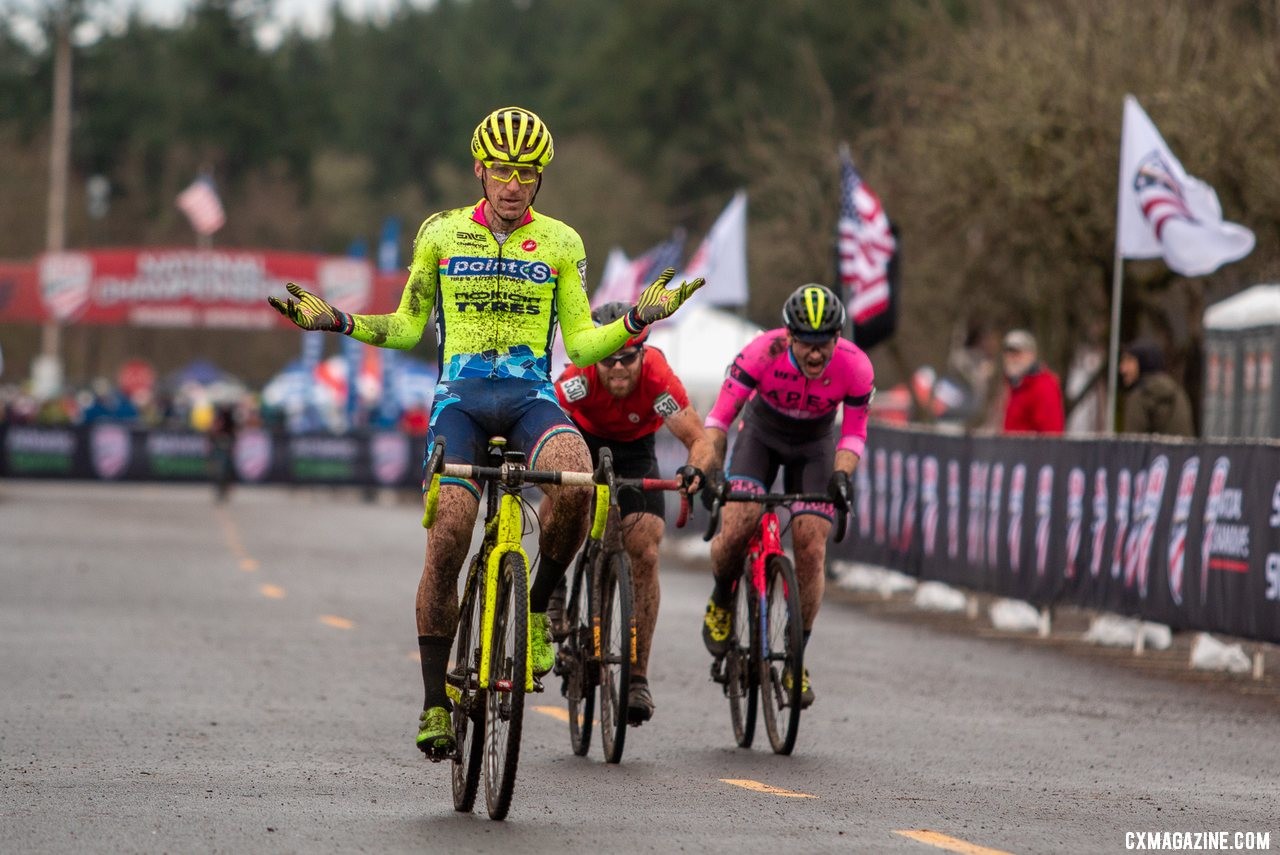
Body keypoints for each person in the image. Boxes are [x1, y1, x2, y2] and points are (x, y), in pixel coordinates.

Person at [266, 106, 703, 759]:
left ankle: (535, 609)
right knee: (449, 534)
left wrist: (640, 317)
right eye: (501, 169)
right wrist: (338, 321)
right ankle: (435, 703)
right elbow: (408, 327)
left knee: (578, 479)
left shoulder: (561, 242)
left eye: (526, 172)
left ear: (539, 179)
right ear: (480, 169)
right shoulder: (440, 233)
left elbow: (583, 341)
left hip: (529, 394)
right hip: (461, 401)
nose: (513, 183)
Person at [701, 283, 874, 708]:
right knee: (739, 522)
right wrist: (709, 469)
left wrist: (841, 476)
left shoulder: (857, 367)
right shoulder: (761, 353)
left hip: (814, 444)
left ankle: (796, 657)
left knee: (812, 546)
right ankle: (722, 598)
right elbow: (719, 419)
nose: (815, 354)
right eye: (806, 344)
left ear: (838, 338)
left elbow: (853, 433)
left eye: (824, 344)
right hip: (761, 436)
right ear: (788, 336)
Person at [551, 301, 715, 724]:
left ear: (643, 352)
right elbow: (545, 427)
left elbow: (699, 438)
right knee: (562, 490)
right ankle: (554, 584)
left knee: (645, 551)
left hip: (636, 452)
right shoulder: (580, 379)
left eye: (628, 358)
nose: (619, 368)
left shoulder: (658, 383)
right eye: (609, 360)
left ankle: (638, 676)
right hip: (583, 437)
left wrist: (695, 467)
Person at [1120, 339, 1194, 437]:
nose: (1122, 369)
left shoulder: (1139, 396)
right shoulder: (1178, 391)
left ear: (1143, 361)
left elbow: (1132, 444)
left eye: (1129, 361)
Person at [1000, 329, 1064, 435]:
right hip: (1012, 450)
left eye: (1017, 353)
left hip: (1032, 450)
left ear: (1031, 355)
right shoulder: (1016, 386)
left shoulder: (1043, 386)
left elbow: (1051, 435)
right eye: (1008, 354)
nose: (1011, 359)